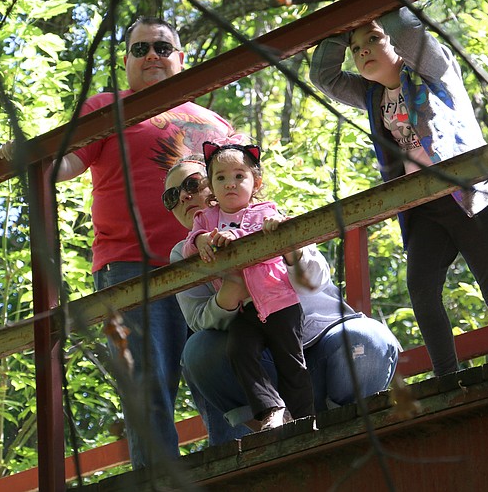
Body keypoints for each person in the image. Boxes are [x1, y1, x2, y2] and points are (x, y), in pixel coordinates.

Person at [0, 17, 237, 468]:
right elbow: (64, 164)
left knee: (223, 366)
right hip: (135, 266)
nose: (152, 56)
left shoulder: (215, 122)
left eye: (163, 49)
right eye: (140, 48)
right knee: (148, 382)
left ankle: (240, 467)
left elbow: (243, 190)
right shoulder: (107, 107)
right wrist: (30, 160)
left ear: (181, 59)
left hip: (212, 263)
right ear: (126, 60)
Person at [309, 6, 488, 376]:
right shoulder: (371, 94)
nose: (363, 51)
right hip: (424, 206)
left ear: (394, 43)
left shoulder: (434, 70)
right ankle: (447, 379)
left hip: (470, 196)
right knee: (423, 291)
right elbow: (324, 76)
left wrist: (370, 2)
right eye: (355, 47)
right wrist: (343, 26)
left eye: (373, 40)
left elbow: (407, 28)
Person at [165, 155, 401, 444]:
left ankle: (341, 429)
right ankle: (270, 419)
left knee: (369, 339)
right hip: (260, 361)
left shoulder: (267, 215)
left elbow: (316, 278)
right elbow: (198, 319)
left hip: (325, 342)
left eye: (192, 183)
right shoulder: (183, 253)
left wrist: (289, 248)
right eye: (171, 196)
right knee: (198, 351)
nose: (185, 196)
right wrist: (230, 291)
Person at [181, 141, 314, 430]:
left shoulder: (265, 211)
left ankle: (305, 420)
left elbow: (283, 227)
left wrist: (275, 225)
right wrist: (201, 240)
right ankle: (272, 409)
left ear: (256, 183)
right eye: (221, 178)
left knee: (291, 362)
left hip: (280, 302)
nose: (230, 183)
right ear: (211, 188)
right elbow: (189, 247)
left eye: (239, 176)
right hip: (245, 310)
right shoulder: (206, 219)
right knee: (239, 351)